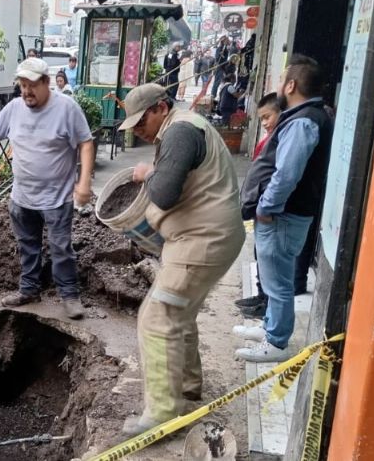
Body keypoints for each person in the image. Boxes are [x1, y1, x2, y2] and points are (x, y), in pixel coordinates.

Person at [115, 83, 245, 435]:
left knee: (158, 318)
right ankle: (186, 390)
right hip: (204, 238)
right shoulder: (185, 126)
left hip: (202, 240)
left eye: (141, 122)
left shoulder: (181, 132)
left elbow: (164, 193)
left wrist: (147, 173)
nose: (139, 131)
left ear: (160, 107)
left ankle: (162, 414)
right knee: (179, 313)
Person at [237, 55, 333, 362]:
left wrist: (267, 205)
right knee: (273, 278)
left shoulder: (304, 121)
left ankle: (276, 343)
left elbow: (287, 173)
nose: (278, 85)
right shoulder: (305, 115)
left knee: (278, 282)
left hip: (282, 215)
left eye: (281, 79)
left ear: (291, 85)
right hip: (283, 214)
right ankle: (270, 328)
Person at [0, 58, 94, 320]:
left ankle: (69, 295)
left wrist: (84, 182)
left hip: (57, 198)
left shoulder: (67, 108)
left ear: (46, 83)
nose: (26, 92)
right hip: (22, 197)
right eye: (22, 86)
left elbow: (86, 143)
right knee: (27, 246)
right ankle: (29, 290)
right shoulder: (14, 108)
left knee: (60, 247)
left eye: (32, 85)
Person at [235, 93, 281, 320]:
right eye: (261, 118)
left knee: (271, 262)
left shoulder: (282, 139)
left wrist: (265, 206)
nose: (264, 123)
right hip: (259, 207)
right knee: (260, 254)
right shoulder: (270, 138)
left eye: (268, 117)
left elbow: (282, 176)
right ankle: (261, 296)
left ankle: (268, 308)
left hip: (267, 211)